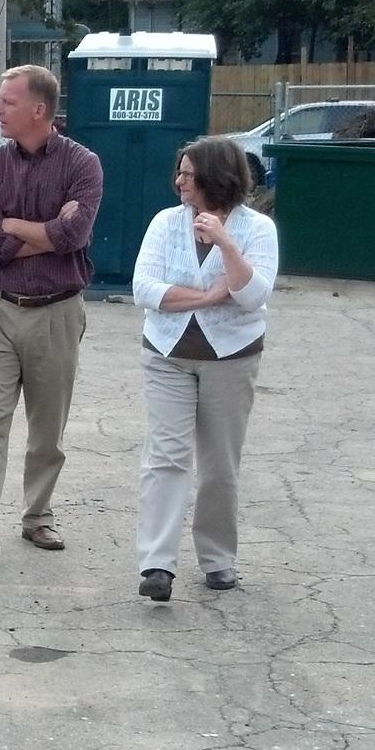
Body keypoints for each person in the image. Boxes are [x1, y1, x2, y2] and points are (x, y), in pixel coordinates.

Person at [0, 64, 104, 555]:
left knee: (46, 426)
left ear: (40, 110)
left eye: (8, 102)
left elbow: (74, 236)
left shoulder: (83, 165)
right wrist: (44, 232)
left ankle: (38, 516)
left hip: (56, 311)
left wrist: (17, 226)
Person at [129, 137, 279, 602]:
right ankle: (157, 564)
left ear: (217, 177)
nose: (179, 182)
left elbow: (253, 295)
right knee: (166, 457)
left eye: (188, 175)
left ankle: (217, 559)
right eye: (179, 172)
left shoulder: (257, 229)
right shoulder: (164, 223)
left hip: (231, 359)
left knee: (219, 466)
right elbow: (144, 289)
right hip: (167, 355)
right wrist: (210, 297)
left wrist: (226, 244)